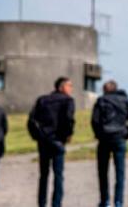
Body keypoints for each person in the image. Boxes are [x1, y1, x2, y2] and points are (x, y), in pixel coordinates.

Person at [28, 77, 75, 207]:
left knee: (43, 175)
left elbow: (31, 120)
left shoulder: (42, 100)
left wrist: (36, 136)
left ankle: (41, 203)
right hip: (58, 141)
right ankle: (56, 204)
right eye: (69, 86)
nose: (71, 89)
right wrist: (68, 135)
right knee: (58, 175)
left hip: (43, 141)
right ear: (61, 87)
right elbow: (69, 119)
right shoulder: (68, 101)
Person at [91, 80, 128, 207]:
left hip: (104, 140)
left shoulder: (101, 101)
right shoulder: (125, 100)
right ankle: (118, 202)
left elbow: (94, 121)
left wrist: (98, 135)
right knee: (120, 173)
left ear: (106, 90)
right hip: (119, 139)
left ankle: (105, 201)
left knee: (103, 172)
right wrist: (126, 134)